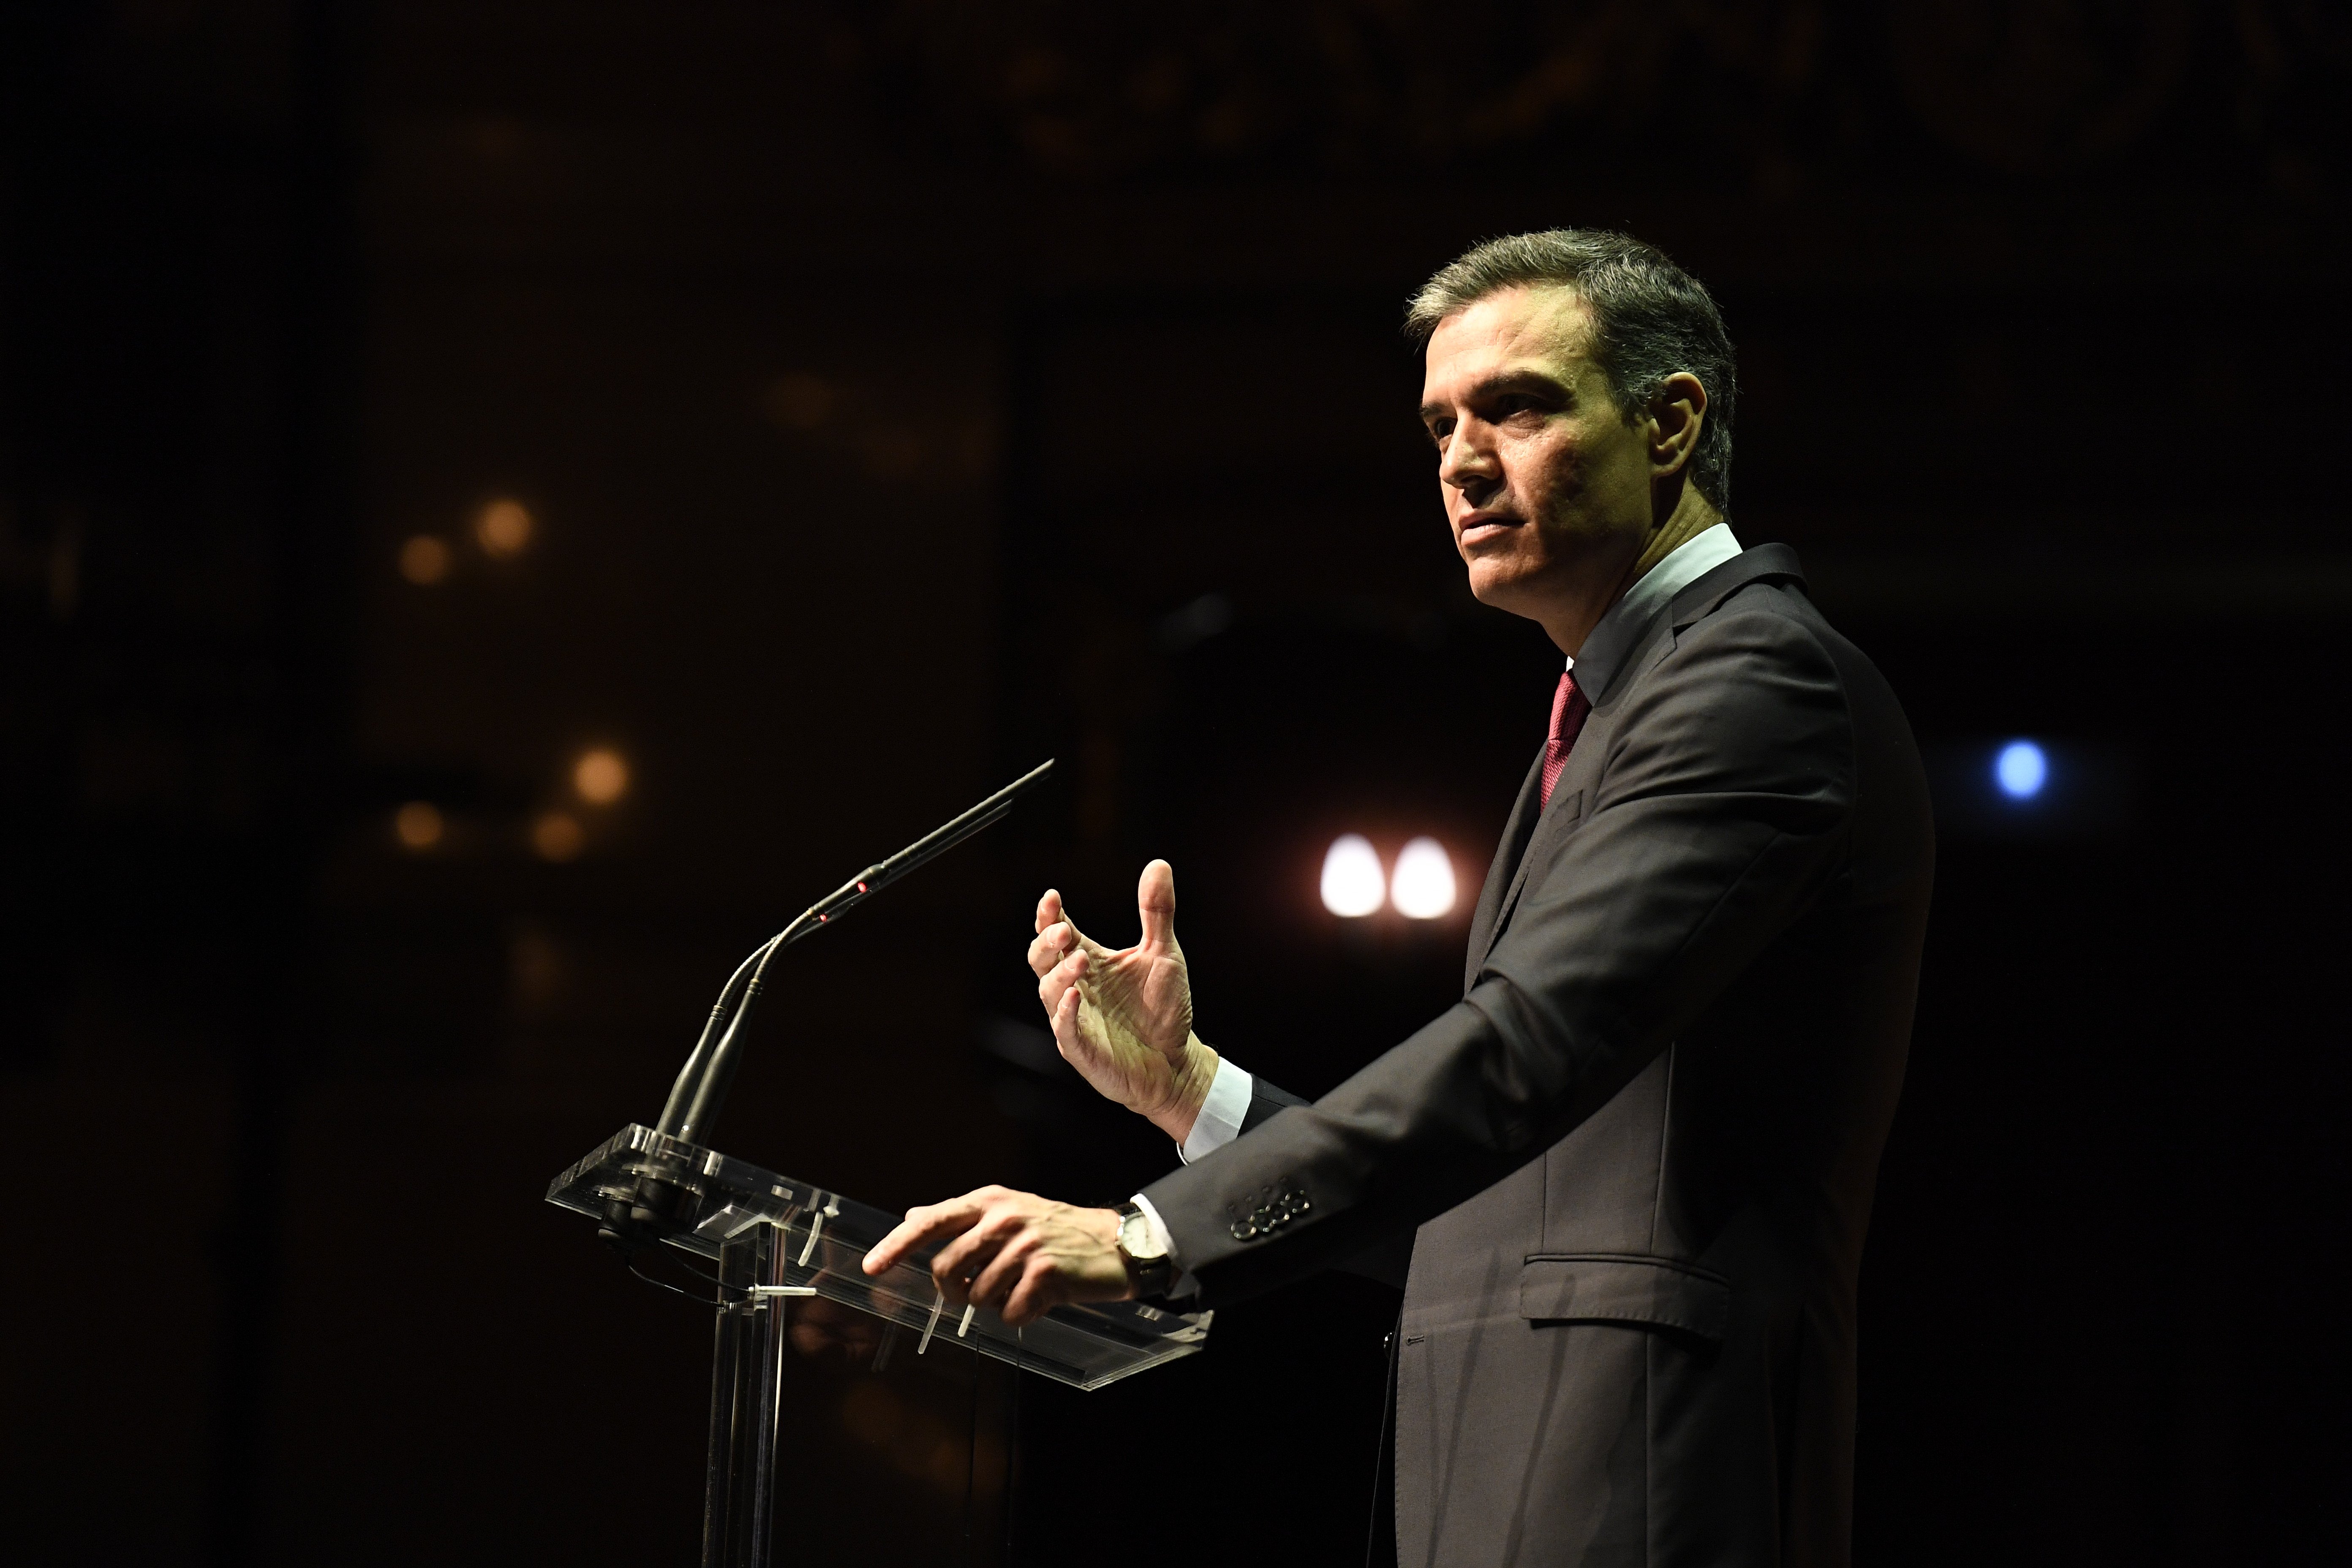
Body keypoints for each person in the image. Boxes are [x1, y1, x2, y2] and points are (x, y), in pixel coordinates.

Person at [863, 229, 1934, 1566]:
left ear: (1670, 423)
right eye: (1440, 427)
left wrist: (1149, 1239)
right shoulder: (1615, 714)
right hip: (1521, 1476)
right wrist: (1196, 1094)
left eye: (1519, 407)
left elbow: (1522, 1051)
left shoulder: (1759, 686)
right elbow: (1498, 1195)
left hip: (1643, 1480)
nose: (1463, 463)